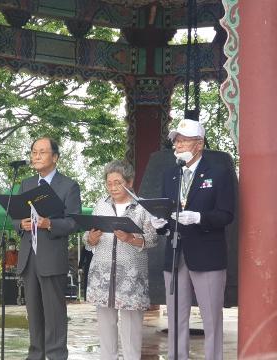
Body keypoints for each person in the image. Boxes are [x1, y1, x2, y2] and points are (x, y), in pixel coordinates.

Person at [151, 119, 235, 360]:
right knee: (176, 316)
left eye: (183, 139)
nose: (177, 144)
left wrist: (199, 217)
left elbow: (226, 215)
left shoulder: (218, 173)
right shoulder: (171, 175)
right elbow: (166, 211)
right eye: (176, 140)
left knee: (211, 318)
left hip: (207, 256)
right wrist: (161, 225)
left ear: (198, 144)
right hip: (176, 255)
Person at [13, 136, 81, 360]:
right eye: (33, 152)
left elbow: (73, 222)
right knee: (34, 314)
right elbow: (15, 217)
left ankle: (56, 355)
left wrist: (49, 223)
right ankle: (35, 355)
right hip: (28, 257)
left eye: (42, 152)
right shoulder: (26, 184)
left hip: (51, 258)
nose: (36, 156)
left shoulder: (68, 186)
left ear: (55, 157)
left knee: (54, 314)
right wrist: (20, 225)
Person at [83, 160, 158, 360]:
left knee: (131, 329)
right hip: (103, 275)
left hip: (131, 277)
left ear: (130, 182)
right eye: (109, 183)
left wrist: (130, 239)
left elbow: (152, 239)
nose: (113, 187)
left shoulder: (141, 207)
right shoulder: (101, 204)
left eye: (118, 182)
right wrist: (90, 238)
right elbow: (87, 238)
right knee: (105, 328)